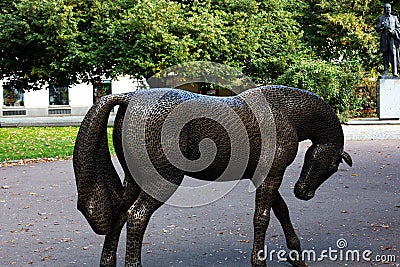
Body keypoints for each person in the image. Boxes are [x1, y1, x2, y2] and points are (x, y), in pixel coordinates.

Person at [376, 3, 400, 77]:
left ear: (391, 8)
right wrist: (381, 27)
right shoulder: (381, 18)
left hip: (392, 38)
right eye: (386, 8)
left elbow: (399, 28)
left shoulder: (394, 18)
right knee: (385, 54)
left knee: (393, 54)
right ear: (384, 9)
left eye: (389, 7)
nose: (388, 9)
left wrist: (393, 32)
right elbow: (377, 29)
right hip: (384, 38)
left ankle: (395, 72)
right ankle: (386, 71)